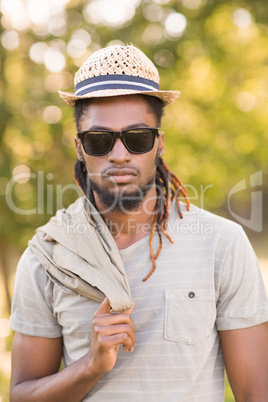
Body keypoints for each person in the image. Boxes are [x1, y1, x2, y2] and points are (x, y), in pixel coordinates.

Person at [9, 44, 268, 402]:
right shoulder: (48, 256)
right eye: (99, 140)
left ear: (158, 144)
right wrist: (90, 366)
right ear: (80, 148)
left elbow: (256, 394)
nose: (119, 154)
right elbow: (21, 395)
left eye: (137, 138)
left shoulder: (221, 245)